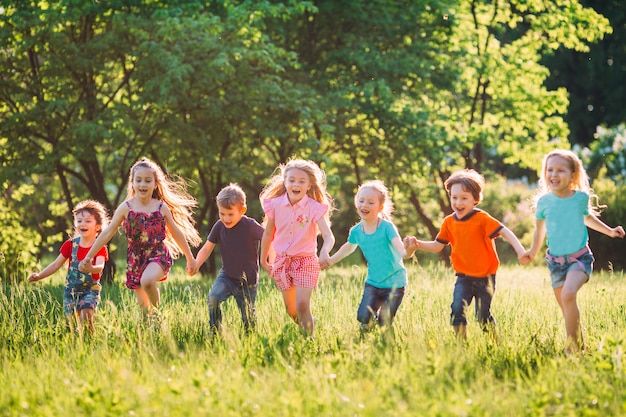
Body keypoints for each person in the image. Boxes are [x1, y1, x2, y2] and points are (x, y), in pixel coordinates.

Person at [521, 149, 625, 354]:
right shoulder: (544, 202)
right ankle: (580, 345)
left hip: (579, 259)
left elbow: (588, 219)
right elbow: (539, 230)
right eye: (550, 170)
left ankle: (572, 350)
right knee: (567, 307)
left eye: (560, 170)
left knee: (568, 295)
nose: (554, 174)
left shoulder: (579, 199)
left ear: (572, 175)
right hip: (555, 262)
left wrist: (610, 231)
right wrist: (532, 251)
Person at [405, 169, 526, 341]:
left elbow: (505, 232)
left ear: (475, 199)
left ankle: (495, 342)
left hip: (486, 277)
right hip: (464, 277)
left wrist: (520, 251)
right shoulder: (449, 222)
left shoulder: (482, 219)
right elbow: (437, 246)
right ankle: (461, 345)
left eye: (464, 198)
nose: (458, 202)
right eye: (454, 198)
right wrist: (418, 244)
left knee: (482, 316)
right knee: (457, 309)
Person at [79, 157, 201, 317]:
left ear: (155, 184)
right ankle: (152, 325)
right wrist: (89, 256)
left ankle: (158, 314)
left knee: (147, 281)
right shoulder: (126, 208)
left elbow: (176, 232)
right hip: (135, 259)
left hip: (158, 255)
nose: (143, 184)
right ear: (133, 183)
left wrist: (190, 258)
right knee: (145, 312)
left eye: (148, 181)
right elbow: (107, 232)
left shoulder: (161, 208)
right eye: (139, 180)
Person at [322, 180, 412, 332]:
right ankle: (370, 325)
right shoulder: (357, 231)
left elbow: (402, 252)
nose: (364, 205)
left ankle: (385, 339)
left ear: (380, 207)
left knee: (385, 321)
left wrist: (410, 250)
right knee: (363, 317)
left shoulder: (387, 228)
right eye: (361, 200)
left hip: (395, 283)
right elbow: (348, 247)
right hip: (373, 283)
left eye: (370, 202)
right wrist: (331, 260)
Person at [259, 158, 335, 337]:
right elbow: (268, 234)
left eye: (302, 181)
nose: (296, 184)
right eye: (292, 180)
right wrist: (264, 259)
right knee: (291, 311)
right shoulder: (275, 205)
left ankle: (309, 342)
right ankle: (309, 322)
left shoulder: (314, 208)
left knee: (302, 305)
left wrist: (324, 251)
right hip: (282, 262)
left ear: (309, 185)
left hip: (306, 261)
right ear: (285, 182)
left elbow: (328, 235)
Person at [191, 184, 265, 334]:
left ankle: (250, 339)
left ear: (242, 210)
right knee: (213, 298)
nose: (226, 218)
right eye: (222, 214)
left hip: (247, 281)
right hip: (227, 277)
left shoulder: (250, 226)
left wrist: (272, 259)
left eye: (230, 214)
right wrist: (196, 263)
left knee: (248, 317)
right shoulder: (219, 226)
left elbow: (269, 238)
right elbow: (207, 248)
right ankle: (215, 331)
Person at [29, 200, 110, 334]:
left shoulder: (99, 247)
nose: (82, 224)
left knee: (86, 317)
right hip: (71, 292)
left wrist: (91, 268)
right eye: (79, 221)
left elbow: (100, 266)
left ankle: (90, 343)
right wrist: (39, 276)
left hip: (90, 289)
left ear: (98, 226)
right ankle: (76, 345)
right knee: (72, 326)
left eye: (88, 221)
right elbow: (55, 264)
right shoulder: (70, 245)